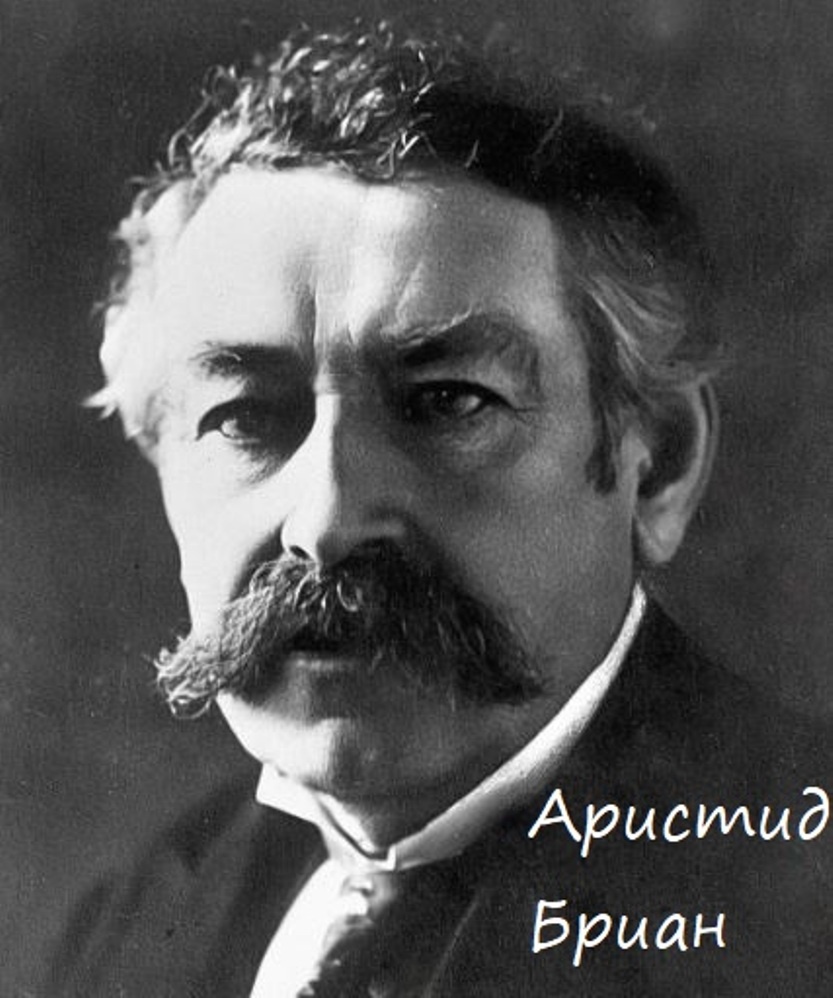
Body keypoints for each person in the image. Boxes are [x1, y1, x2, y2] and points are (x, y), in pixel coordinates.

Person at [46, 20, 830, 997]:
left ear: (657, 464)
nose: (325, 523)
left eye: (447, 402)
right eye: (244, 417)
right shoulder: (125, 929)